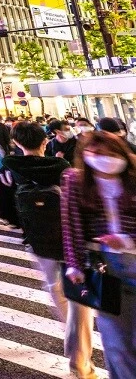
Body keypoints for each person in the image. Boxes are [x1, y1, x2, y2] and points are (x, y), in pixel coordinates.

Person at [0, 121, 95, 379]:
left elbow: (2, 205)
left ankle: (71, 335)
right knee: (79, 297)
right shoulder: (62, 168)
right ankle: (80, 360)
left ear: (17, 143)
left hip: (38, 240)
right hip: (69, 236)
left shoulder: (9, 169)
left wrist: (26, 224)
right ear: (44, 142)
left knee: (55, 288)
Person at [62, 132, 136, 376]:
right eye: (97, 153)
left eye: (112, 154)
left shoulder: (133, 179)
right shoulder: (75, 180)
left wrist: (126, 240)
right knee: (116, 341)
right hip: (105, 266)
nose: (105, 159)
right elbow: (71, 224)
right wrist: (75, 264)